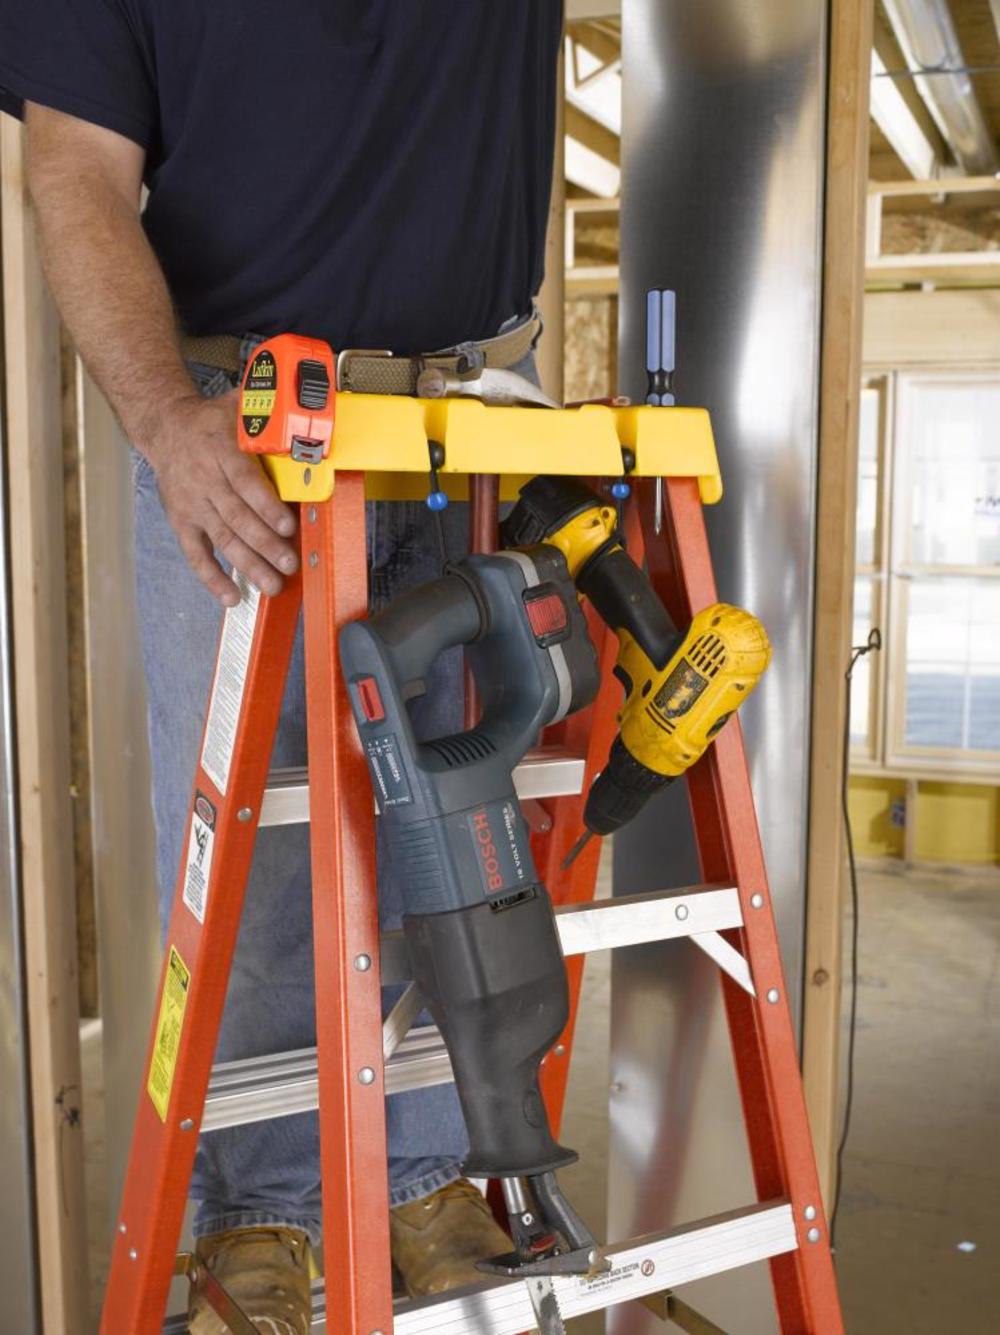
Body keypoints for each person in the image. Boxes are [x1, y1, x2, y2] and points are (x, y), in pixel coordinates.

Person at [0, 4, 563, 1331]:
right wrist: (163, 421)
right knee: (252, 860)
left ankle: (425, 1175)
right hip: (249, 430)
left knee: (458, 827)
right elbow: (75, 170)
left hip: (470, 422)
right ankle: (264, 1205)